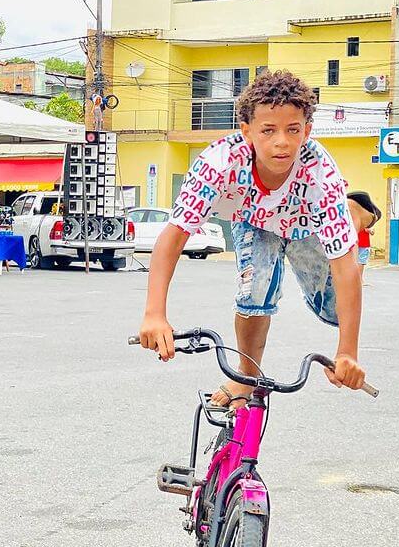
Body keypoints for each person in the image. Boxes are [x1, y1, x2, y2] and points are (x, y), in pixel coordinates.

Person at [137, 70, 367, 407]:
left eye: (293, 130)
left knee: (334, 312)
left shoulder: (321, 174)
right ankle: (246, 375)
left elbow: (344, 267)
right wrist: (154, 313)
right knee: (255, 289)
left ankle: (357, 213)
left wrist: (347, 352)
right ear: (247, 132)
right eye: (268, 130)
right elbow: (173, 236)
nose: (282, 142)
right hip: (255, 221)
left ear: (307, 131)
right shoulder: (218, 163)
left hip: (308, 227)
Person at [347, 190, 381, 281]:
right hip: (358, 244)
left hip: (363, 243)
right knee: (358, 261)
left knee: (359, 261)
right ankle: (358, 279)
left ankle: (359, 279)